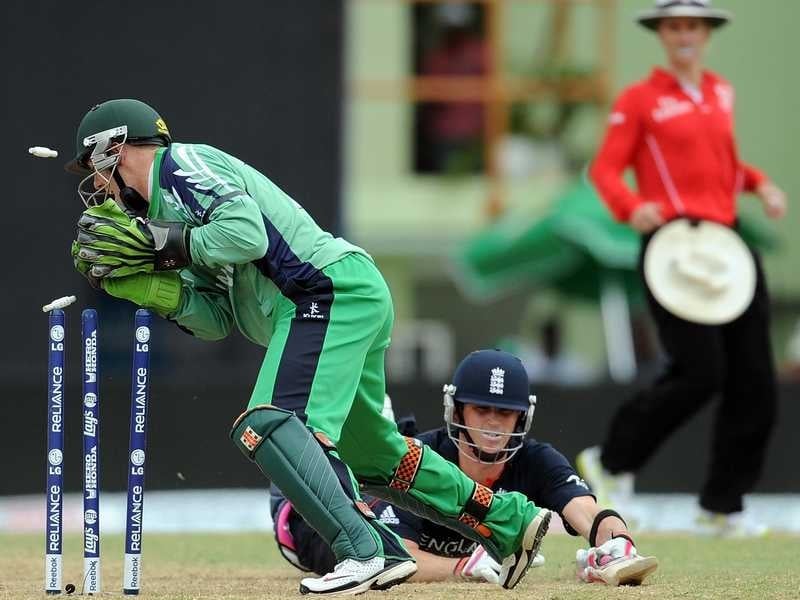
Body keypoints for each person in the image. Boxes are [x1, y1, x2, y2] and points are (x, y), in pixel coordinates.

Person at [66, 98, 552, 594]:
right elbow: (216, 320)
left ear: (114, 149)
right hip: (340, 294)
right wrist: (152, 289)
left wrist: (162, 243)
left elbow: (247, 235)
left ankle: (368, 552)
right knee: (372, 457)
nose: (99, 188)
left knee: (272, 426)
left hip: (322, 291)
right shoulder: (168, 211)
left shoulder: (181, 166)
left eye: (94, 171)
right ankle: (511, 524)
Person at [581, 0, 787, 536]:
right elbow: (605, 169)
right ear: (662, 34)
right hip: (672, 246)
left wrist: (760, 183)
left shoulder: (720, 91)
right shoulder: (640, 98)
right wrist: (632, 209)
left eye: (693, 25)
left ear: (707, 32)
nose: (685, 35)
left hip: (727, 246)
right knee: (701, 373)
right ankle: (613, 459)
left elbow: (722, 163)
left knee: (756, 380)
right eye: (674, 26)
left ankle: (724, 504)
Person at [272, 350, 658, 587]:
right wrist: (465, 566)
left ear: (521, 418)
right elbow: (394, 557)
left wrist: (617, 545)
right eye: (482, 409)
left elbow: (588, 511)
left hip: (378, 512)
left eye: (505, 412)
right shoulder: (419, 461)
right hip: (307, 528)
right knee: (349, 536)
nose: (492, 423)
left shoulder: (537, 460)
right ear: (456, 410)